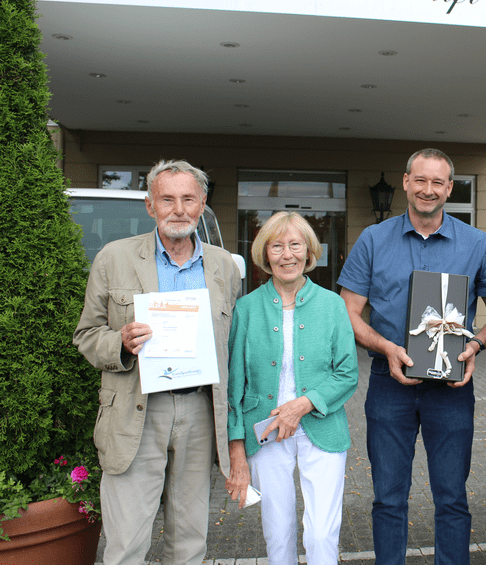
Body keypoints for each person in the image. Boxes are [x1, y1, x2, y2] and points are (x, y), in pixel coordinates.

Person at [337, 148, 486, 565]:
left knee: (452, 497)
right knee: (388, 498)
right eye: (420, 180)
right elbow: (347, 311)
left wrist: (476, 345)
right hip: (387, 382)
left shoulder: (477, 243)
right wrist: (387, 348)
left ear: (449, 188)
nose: (428, 190)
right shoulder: (373, 240)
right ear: (407, 182)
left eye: (438, 183)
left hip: (451, 388)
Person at [73, 160, 242, 565]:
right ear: (151, 206)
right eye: (167, 199)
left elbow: (233, 344)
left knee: (189, 540)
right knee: (127, 543)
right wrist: (121, 343)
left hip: (200, 410)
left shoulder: (223, 266)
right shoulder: (113, 258)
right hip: (136, 409)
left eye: (188, 199)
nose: (178, 209)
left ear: (202, 205)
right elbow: (86, 336)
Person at [225, 212, 358, 565]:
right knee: (277, 530)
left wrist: (301, 405)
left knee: (321, 533)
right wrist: (235, 449)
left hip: (322, 427)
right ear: (265, 254)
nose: (288, 255)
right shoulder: (246, 308)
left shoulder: (332, 305)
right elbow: (234, 388)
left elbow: (347, 373)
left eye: (295, 245)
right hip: (265, 429)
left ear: (309, 252)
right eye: (277, 246)